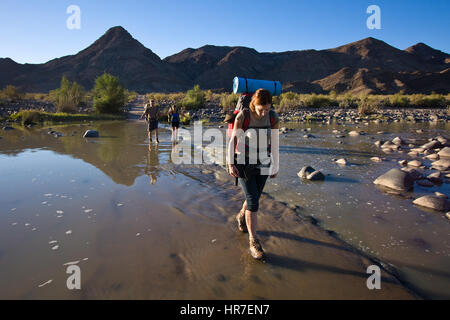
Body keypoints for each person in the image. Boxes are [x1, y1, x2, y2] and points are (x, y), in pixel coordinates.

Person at [227, 89, 280, 260]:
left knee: (255, 197)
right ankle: (253, 241)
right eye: (260, 109)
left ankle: (241, 215)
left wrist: (276, 165)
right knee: (252, 202)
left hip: (264, 163)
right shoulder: (244, 116)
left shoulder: (273, 117)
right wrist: (230, 163)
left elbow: (276, 143)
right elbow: (233, 140)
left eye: (267, 108)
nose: (264, 112)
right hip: (244, 163)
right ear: (253, 104)